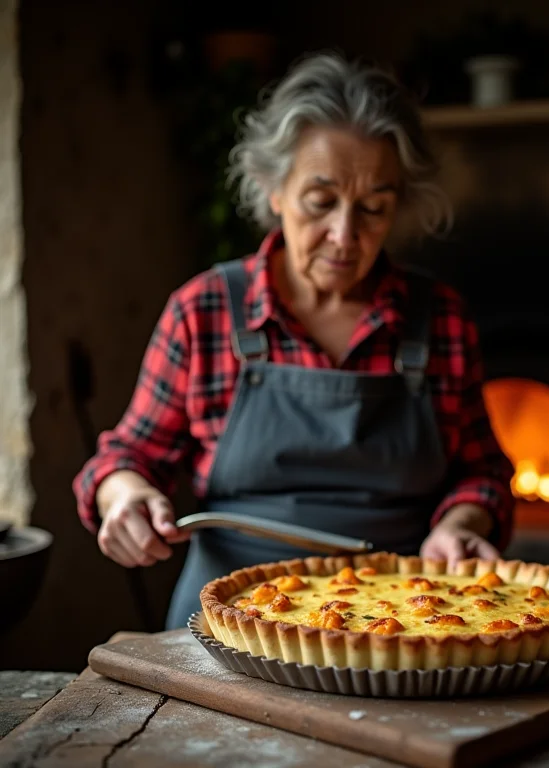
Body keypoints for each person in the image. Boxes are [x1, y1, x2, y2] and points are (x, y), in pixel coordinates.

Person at [72, 52, 514, 629]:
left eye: (373, 208)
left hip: (407, 618)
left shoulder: (441, 320)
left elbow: (483, 473)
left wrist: (460, 524)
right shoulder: (204, 311)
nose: (344, 235)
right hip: (228, 616)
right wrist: (125, 496)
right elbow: (127, 458)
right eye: (320, 202)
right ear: (273, 189)